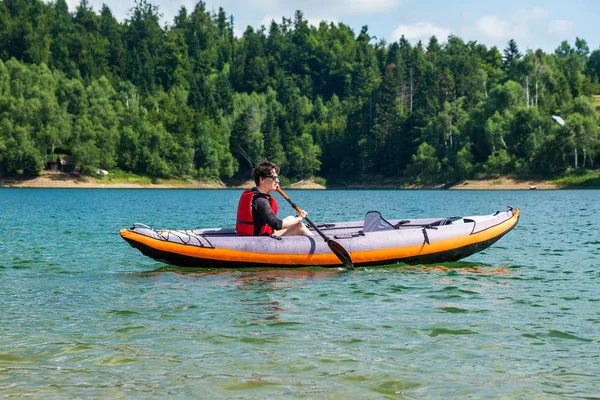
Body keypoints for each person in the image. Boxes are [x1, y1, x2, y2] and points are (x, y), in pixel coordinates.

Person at [236, 160, 312, 237]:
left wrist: (296, 219)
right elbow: (277, 224)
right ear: (262, 179)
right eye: (274, 177)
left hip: (258, 233)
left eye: (277, 177)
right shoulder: (260, 201)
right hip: (257, 238)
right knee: (299, 226)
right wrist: (300, 218)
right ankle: (321, 246)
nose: (277, 181)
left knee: (291, 218)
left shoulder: (255, 195)